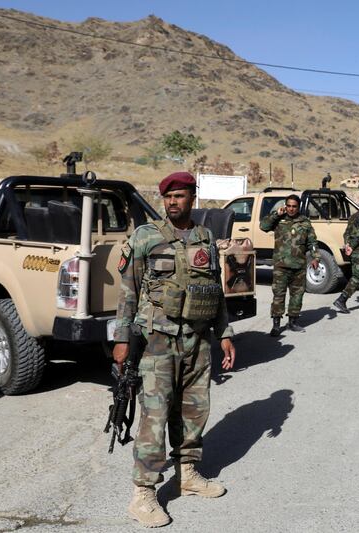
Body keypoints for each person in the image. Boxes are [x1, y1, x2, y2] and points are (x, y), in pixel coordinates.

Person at [113, 171, 236, 528]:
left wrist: (224, 333)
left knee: (194, 410)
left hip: (197, 341)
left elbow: (216, 289)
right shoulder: (146, 237)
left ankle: (186, 473)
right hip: (157, 342)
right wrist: (122, 339)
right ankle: (143, 494)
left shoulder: (205, 237)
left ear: (192, 198)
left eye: (180, 196)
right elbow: (128, 292)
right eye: (168, 197)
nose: (173, 202)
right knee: (154, 416)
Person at [260, 194, 320, 336]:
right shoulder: (279, 219)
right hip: (281, 265)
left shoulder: (305, 222)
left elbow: (312, 242)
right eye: (289, 206)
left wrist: (316, 257)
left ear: (298, 207)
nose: (291, 209)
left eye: (294, 206)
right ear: (285, 206)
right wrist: (276, 214)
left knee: (297, 295)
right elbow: (263, 226)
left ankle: (292, 322)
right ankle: (276, 325)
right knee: (278, 296)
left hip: (299, 265)